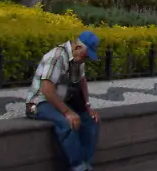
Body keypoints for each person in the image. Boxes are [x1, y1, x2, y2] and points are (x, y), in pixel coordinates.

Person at [25, 31, 101, 171]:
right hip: (40, 102)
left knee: (91, 120)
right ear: (78, 48)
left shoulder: (78, 59)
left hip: (61, 101)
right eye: (86, 55)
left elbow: (82, 81)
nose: (86, 59)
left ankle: (86, 163)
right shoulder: (56, 57)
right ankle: (78, 166)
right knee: (68, 122)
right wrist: (67, 112)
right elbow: (47, 90)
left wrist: (88, 106)